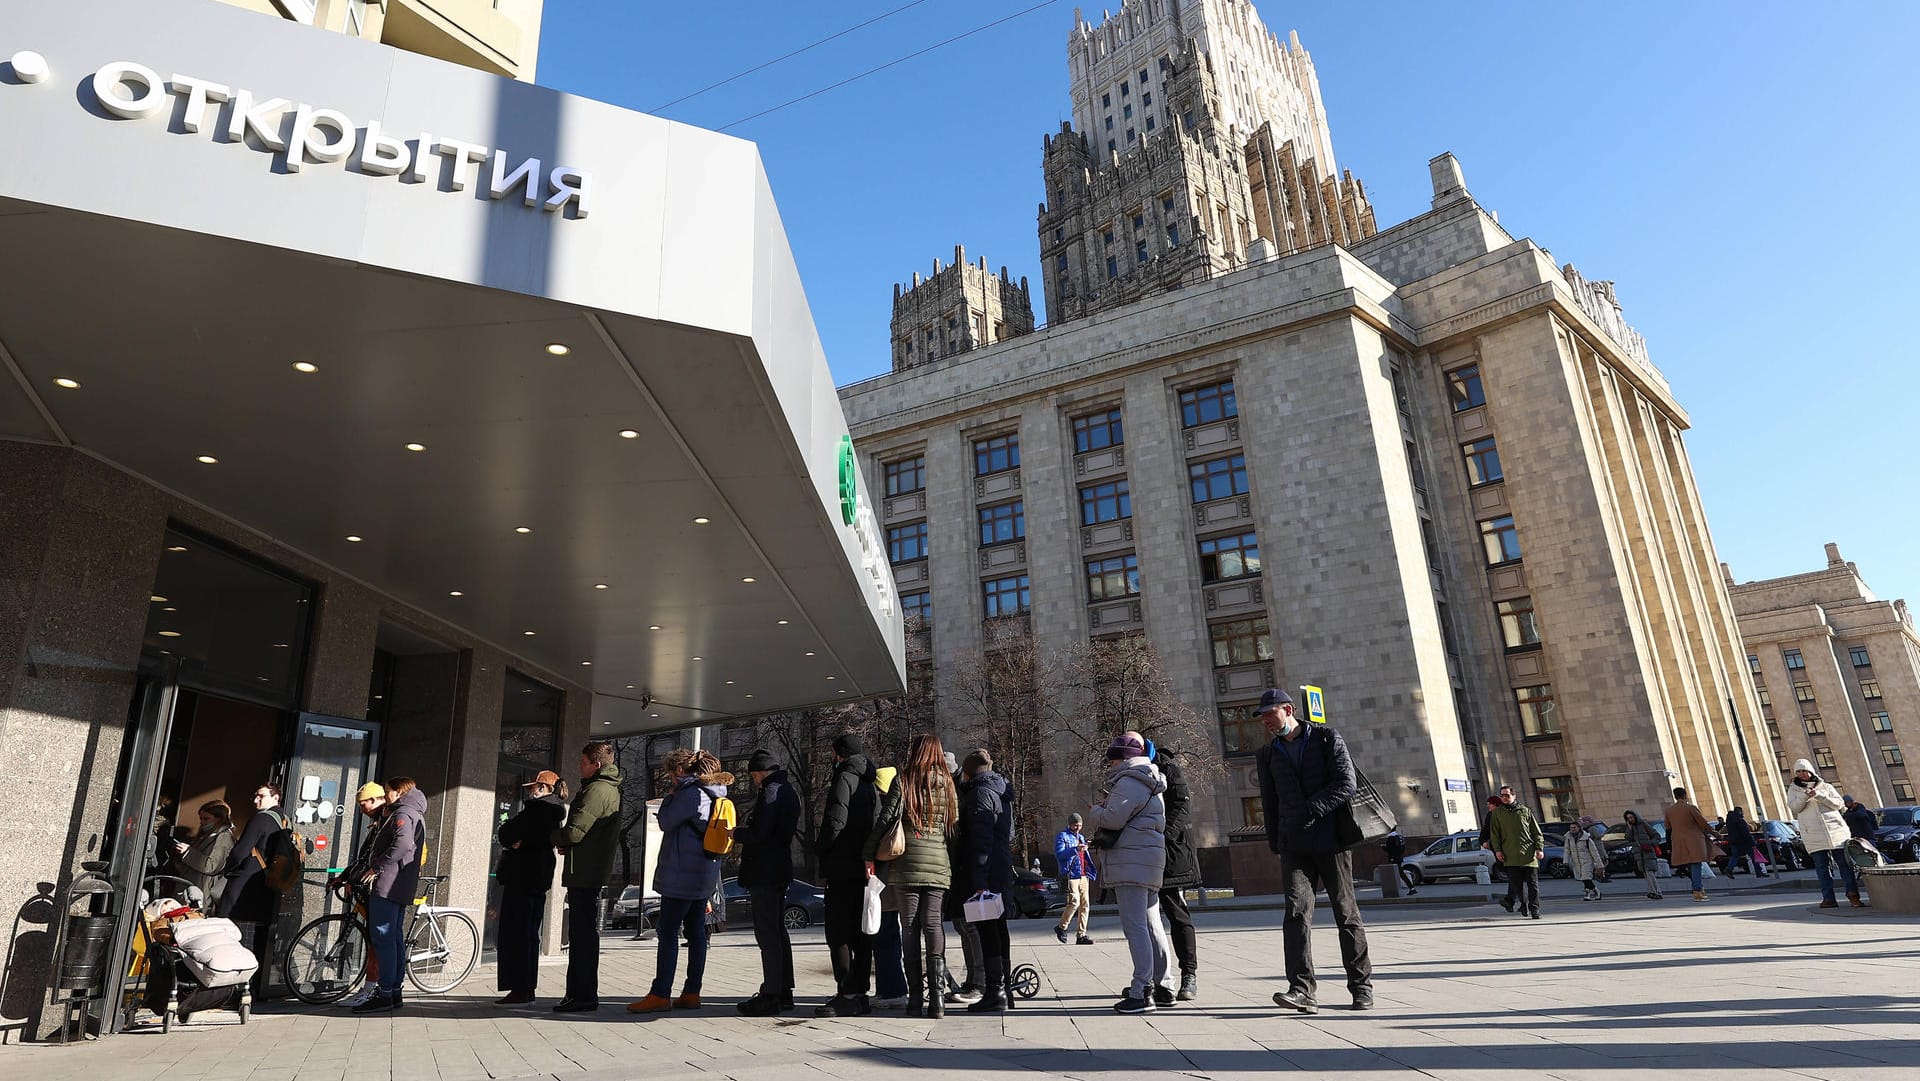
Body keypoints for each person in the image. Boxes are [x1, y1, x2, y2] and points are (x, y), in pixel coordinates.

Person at [1255, 688, 1373, 1014]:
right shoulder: (1267, 754)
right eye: (1262, 716)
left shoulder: (1326, 738)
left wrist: (1311, 809)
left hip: (1332, 841)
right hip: (1294, 845)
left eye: (1270, 713)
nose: (1265, 720)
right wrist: (1275, 841)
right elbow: (1270, 802)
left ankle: (1361, 987)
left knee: (1346, 914)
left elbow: (1346, 783)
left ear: (1289, 709)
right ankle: (1302, 990)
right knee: (1295, 915)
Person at [628, 749, 732, 1013]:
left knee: (667, 932)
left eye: (672, 773)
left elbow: (665, 821)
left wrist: (669, 798)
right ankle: (691, 992)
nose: (670, 778)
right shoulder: (716, 793)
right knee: (697, 933)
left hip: (681, 875)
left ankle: (660, 993)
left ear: (681, 771)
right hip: (704, 874)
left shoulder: (689, 794)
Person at [874, 734, 956, 1018]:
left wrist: (868, 852)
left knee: (909, 927)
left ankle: (915, 1000)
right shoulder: (947, 783)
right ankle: (938, 1001)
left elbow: (887, 818)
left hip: (906, 863)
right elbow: (953, 823)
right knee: (933, 923)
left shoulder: (904, 779)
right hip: (937, 863)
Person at [1091, 731, 1172, 1015]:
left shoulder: (1129, 780)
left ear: (1121, 759)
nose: (1109, 766)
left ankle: (1142, 991)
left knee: (1135, 926)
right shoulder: (1149, 780)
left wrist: (1096, 810)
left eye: (1111, 761)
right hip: (1147, 860)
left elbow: (1113, 819)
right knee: (1151, 924)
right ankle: (1164, 985)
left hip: (1131, 861)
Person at [550, 739, 623, 1013]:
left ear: (597, 764)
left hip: (585, 871)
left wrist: (557, 838)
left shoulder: (597, 790)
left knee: (582, 937)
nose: (579, 767)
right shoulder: (605, 788)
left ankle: (582, 996)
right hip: (587, 868)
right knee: (582, 935)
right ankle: (578, 994)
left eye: (583, 762)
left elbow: (575, 831)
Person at [813, 734, 879, 1018]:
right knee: (860, 932)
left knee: (837, 931)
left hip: (841, 867)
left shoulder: (844, 778)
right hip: (863, 867)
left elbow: (834, 822)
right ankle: (859, 992)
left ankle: (845, 991)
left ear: (838, 754)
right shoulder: (870, 782)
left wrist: (822, 850)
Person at [352, 776, 427, 1013]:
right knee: (393, 937)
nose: (386, 796)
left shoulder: (403, 813)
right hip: (400, 884)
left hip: (389, 883)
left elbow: (402, 844)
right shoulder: (412, 811)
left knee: (384, 937)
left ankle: (385, 993)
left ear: (398, 792)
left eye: (388, 792)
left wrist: (378, 866)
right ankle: (393, 992)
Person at [736, 748, 802, 1016]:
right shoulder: (788, 790)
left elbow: (760, 832)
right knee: (777, 931)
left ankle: (772, 993)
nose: (753, 780)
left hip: (765, 870)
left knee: (767, 933)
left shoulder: (771, 792)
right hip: (779, 869)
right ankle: (784, 990)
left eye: (753, 774)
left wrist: (736, 833)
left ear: (761, 771)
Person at [495, 769, 568, 1006]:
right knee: (528, 932)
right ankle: (525, 987)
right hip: (536, 876)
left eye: (532, 788)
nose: (529, 792)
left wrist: (518, 842)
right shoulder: (553, 812)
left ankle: (521, 988)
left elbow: (506, 833)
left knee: (518, 932)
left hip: (523, 875)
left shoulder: (538, 811)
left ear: (543, 788)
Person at [216, 782, 287, 999]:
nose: (256, 800)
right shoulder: (284, 820)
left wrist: (225, 870)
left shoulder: (261, 819)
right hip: (267, 887)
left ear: (275, 798)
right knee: (258, 940)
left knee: (231, 934)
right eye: (255, 796)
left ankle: (233, 991)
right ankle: (255, 989)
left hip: (245, 887)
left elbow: (240, 852)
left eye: (261, 796)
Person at [957, 748, 1014, 1013]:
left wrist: (978, 879)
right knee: (999, 930)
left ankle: (996, 992)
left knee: (988, 931)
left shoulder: (979, 794)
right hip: (1000, 869)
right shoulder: (1001, 791)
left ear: (968, 773)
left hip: (986, 872)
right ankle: (1005, 990)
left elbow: (981, 841)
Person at [1149, 740, 1201, 999]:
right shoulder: (1135, 772)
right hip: (1145, 855)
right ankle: (1151, 977)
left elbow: (1182, 808)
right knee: (1145, 920)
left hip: (1172, 854)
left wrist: (1161, 836)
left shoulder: (1169, 769)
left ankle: (1189, 975)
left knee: (1177, 914)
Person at [1788, 759, 1865, 909]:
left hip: (1835, 832)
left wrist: (1819, 795)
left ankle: (1853, 895)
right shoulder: (1793, 790)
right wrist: (1805, 796)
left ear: (1810, 771)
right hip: (1813, 834)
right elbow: (1795, 808)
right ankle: (1828, 898)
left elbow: (1838, 804)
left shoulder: (1826, 786)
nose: (1801, 774)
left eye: (1803, 770)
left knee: (1844, 865)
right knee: (1822, 867)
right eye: (1798, 772)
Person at [942, 750, 985, 1006]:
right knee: (962, 923)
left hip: (964, 868)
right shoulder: (961, 789)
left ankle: (978, 982)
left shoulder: (963, 791)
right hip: (960, 867)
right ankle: (973, 980)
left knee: (970, 926)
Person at [1486, 784, 1544, 918]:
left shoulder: (1525, 811)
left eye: (1507, 795)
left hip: (1528, 854)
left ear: (1514, 795)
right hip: (1509, 855)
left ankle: (1535, 909)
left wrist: (1539, 848)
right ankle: (1523, 905)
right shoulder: (1497, 813)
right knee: (1517, 886)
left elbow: (1536, 831)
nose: (1504, 798)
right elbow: (1494, 834)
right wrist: (1498, 851)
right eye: (1502, 795)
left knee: (1533, 885)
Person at [169, 799, 235, 909]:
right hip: (191, 886)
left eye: (207, 818)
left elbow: (212, 866)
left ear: (219, 818)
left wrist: (188, 852)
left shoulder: (223, 836)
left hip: (202, 890)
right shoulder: (206, 836)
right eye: (201, 819)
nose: (203, 822)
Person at [1664, 787, 1715, 902]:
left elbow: (1667, 827)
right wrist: (1715, 834)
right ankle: (1698, 891)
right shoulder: (1690, 808)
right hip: (1694, 840)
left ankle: (1699, 889)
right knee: (1696, 864)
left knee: (1690, 865)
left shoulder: (1669, 811)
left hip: (1678, 841)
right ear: (1685, 795)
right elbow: (1703, 823)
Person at [1053, 813, 1097, 946]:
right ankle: (1061, 927)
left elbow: (1083, 855)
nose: (1078, 827)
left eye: (1080, 825)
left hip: (1083, 875)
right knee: (1074, 902)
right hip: (1071, 874)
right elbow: (1059, 855)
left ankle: (1081, 935)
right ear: (1070, 824)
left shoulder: (1081, 837)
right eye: (1075, 824)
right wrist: (1075, 849)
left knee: (1085, 905)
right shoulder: (1062, 836)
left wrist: (1086, 847)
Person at [1621, 809, 1664, 899]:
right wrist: (1629, 828)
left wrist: (1650, 843)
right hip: (1639, 854)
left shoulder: (1643, 825)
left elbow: (1656, 835)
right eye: (1628, 818)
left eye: (1631, 817)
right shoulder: (1631, 828)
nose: (1630, 819)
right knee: (1646, 873)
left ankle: (1657, 891)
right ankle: (1651, 891)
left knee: (1650, 873)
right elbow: (1628, 838)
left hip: (1648, 852)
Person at [1566, 816, 1606, 901]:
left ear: (1579, 828)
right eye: (1571, 828)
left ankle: (1594, 892)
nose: (1572, 829)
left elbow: (1594, 852)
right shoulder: (1569, 838)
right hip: (1576, 861)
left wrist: (1600, 865)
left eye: (1574, 827)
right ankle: (1591, 893)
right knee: (1583, 879)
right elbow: (1567, 850)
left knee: (1585, 877)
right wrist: (1565, 861)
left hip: (1587, 861)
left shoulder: (1586, 838)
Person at [1723, 807, 1763, 878]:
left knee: (1735, 856)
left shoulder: (1729, 821)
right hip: (1745, 842)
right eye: (1742, 812)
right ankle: (1759, 872)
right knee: (1754, 857)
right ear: (1740, 812)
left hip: (1734, 842)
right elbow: (1745, 832)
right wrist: (1752, 841)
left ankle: (1729, 868)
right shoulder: (1740, 820)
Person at [1381, 828, 1415, 898]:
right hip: (1399, 857)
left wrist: (1383, 847)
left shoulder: (1391, 838)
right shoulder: (1399, 836)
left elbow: (1390, 849)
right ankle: (1411, 888)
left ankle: (1392, 891)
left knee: (1394, 874)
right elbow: (1402, 847)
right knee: (1400, 873)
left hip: (1394, 858)